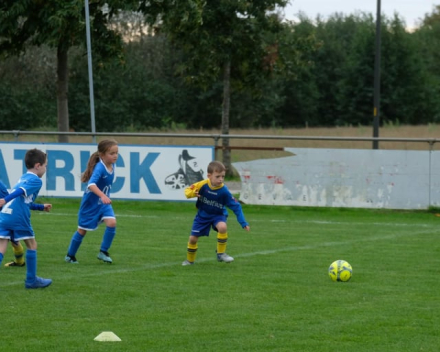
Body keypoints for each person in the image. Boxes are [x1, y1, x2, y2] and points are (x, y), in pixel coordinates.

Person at [0, 148, 52, 289]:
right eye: (45, 166)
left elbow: (24, 200)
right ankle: (31, 281)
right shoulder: (36, 180)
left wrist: (41, 207)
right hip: (17, 216)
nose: (46, 169)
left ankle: (32, 280)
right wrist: (4, 199)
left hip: (5, 214)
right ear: (37, 165)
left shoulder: (23, 177)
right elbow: (20, 193)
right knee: (32, 245)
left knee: (1, 246)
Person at [182, 160, 250, 266]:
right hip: (202, 216)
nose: (221, 179)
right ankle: (189, 261)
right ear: (209, 176)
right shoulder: (202, 184)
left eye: (223, 176)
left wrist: (243, 222)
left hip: (218, 215)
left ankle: (221, 254)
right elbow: (187, 191)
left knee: (222, 227)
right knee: (192, 239)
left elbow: (236, 206)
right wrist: (193, 193)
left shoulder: (224, 191)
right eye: (218, 177)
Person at [65, 139, 119, 264]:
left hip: (103, 204)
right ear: (102, 155)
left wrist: (104, 197)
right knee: (82, 230)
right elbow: (91, 185)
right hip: (91, 204)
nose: (115, 156)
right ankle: (70, 255)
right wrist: (103, 196)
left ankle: (103, 252)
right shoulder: (100, 167)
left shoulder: (112, 165)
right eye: (112, 153)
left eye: (116, 153)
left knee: (112, 223)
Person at [0, 180, 51, 267]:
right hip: (7, 218)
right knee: (13, 241)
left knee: (13, 241)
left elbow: (11, 202)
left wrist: (40, 207)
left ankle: (22, 265)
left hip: (6, 217)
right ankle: (21, 263)